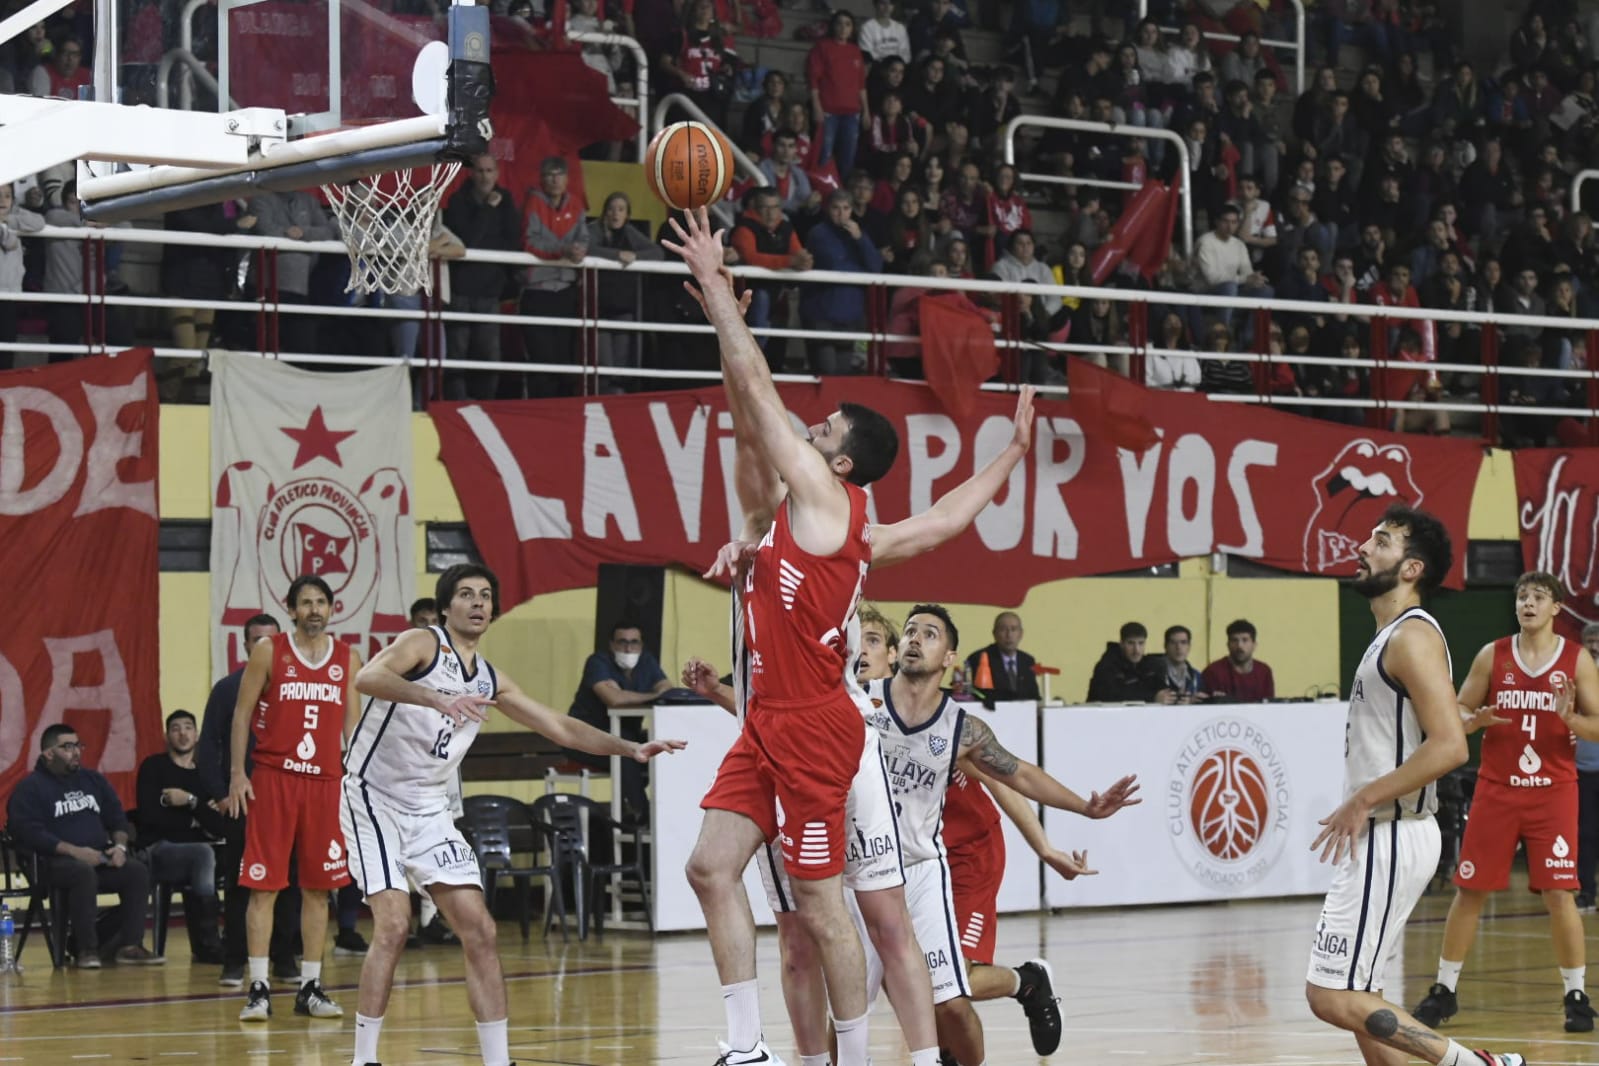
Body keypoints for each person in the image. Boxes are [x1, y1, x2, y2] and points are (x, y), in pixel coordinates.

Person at [691, 386, 1042, 1066]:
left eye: (821, 433)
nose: (804, 438)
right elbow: (751, 443)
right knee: (795, 927)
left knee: (876, 919)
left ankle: (913, 1057)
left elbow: (942, 520)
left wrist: (1012, 455)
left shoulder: (842, 530)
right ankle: (785, 1053)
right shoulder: (769, 525)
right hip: (775, 731)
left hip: (837, 736)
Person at [668, 204, 901, 1066]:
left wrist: (720, 287)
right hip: (767, 718)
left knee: (817, 904)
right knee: (707, 868)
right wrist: (743, 553)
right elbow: (749, 412)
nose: (815, 425)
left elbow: (760, 395)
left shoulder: (830, 502)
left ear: (839, 464)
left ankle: (853, 1055)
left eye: (828, 428)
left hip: (813, 728)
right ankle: (745, 1047)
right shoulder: (792, 513)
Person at [343, 563, 684, 1066]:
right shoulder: (422, 643)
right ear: (446, 607)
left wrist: (628, 747)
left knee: (481, 929)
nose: (478, 602)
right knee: (393, 925)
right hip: (373, 796)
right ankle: (364, 1059)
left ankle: (499, 1061)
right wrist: (436, 696)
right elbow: (367, 676)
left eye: (485, 595)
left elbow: (560, 727)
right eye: (465, 594)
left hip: (429, 808)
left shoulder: (488, 679)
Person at [859, 606, 1137, 1066]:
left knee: (954, 984)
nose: (865, 651)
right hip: (882, 865)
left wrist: (1048, 843)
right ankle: (942, 1050)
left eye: (873, 641)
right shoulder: (861, 705)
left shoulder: (953, 727)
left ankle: (1026, 982)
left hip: (965, 854)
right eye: (907, 632)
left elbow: (1014, 780)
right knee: (888, 984)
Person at [1305, 504, 1527, 1066]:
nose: (1362, 547)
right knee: (1367, 1009)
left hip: (1392, 831)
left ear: (1411, 568)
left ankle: (1477, 1065)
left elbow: (1450, 747)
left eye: (1380, 541)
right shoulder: (1392, 637)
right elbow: (1435, 725)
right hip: (1387, 833)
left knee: (1330, 995)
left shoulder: (1411, 637)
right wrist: (1456, 715)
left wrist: (1363, 797)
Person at [1411, 573, 1599, 1033]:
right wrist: (1473, 720)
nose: (1527, 603)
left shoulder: (1576, 660)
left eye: (1537, 597)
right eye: (1521, 596)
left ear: (1556, 607)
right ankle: (1445, 989)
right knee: (1470, 891)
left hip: (1553, 793)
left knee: (1560, 894)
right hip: (1497, 790)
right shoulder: (1492, 654)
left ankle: (1576, 994)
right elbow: (1455, 709)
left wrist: (1569, 716)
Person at [223, 575, 363, 1022]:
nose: (315, 610)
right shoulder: (270, 651)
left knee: (319, 890)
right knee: (262, 886)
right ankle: (259, 987)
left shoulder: (348, 659)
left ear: (331, 608)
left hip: (325, 784)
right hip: (274, 779)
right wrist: (237, 775)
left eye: (322, 602)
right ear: (292, 608)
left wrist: (355, 784)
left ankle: (310, 987)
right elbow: (242, 714)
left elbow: (353, 731)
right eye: (306, 603)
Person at [6, 724, 165, 967]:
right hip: (55, 864)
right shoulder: (30, 788)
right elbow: (28, 832)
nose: (76, 752)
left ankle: (130, 946)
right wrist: (75, 851)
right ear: (49, 753)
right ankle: (86, 949)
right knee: (82, 873)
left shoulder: (93, 780)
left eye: (78, 745)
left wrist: (120, 848)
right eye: (67, 747)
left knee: (136, 872)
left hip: (99, 858)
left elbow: (117, 818)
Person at [197, 613, 300, 987]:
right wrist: (222, 795)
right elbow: (207, 747)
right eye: (256, 641)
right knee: (242, 883)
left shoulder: (295, 685)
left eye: (270, 640)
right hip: (245, 804)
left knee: (289, 882)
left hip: (289, 802)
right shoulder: (228, 688)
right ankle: (234, 961)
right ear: (244, 646)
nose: (263, 647)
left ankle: (286, 959)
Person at [135, 710, 228, 963]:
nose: (183, 733)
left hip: (201, 850)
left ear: (197, 735)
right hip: (160, 849)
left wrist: (188, 800)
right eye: (176, 728)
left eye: (188, 727)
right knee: (202, 853)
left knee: (238, 854)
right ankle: (208, 943)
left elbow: (220, 826)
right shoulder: (153, 767)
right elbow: (150, 817)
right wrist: (197, 817)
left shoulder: (206, 775)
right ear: (167, 736)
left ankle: (233, 938)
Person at [565, 619, 674, 822]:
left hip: (623, 737)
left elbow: (668, 689)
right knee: (627, 750)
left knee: (658, 745)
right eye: (622, 642)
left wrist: (629, 694)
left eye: (634, 642)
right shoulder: (598, 662)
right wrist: (652, 695)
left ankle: (650, 813)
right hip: (583, 740)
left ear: (641, 645)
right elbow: (614, 699)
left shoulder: (646, 662)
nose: (628, 647)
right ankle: (644, 816)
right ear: (612, 644)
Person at [963, 612, 1041, 702]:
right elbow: (976, 694)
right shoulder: (978, 658)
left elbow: (1034, 696)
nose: (1009, 635)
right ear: (994, 633)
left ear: (1021, 634)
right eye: (1003, 629)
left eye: (1014, 629)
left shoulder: (1028, 661)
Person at [1086, 622, 1165, 702]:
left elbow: (1165, 691)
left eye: (1141, 643)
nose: (1136, 650)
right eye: (1130, 643)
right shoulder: (1106, 666)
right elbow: (1111, 696)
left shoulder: (1151, 666)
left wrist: (1175, 697)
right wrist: (1152, 697)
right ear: (1121, 643)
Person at [1201, 619, 1275, 700]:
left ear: (1254, 644)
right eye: (1234, 640)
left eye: (1245, 640)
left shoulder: (1264, 672)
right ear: (1228, 645)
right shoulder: (1213, 672)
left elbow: (1269, 707)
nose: (1239, 645)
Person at [1580, 621, 1599, 911]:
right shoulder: (1575, 676)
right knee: (1585, 833)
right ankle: (1585, 893)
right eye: (1590, 642)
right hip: (1581, 768)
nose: (1594, 647)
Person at [1148, 625, 1204, 703]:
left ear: (1189, 646)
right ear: (1165, 646)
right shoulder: (1151, 673)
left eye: (1183, 642)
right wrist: (1154, 700)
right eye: (1173, 643)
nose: (1178, 647)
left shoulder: (1196, 676)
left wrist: (1193, 702)